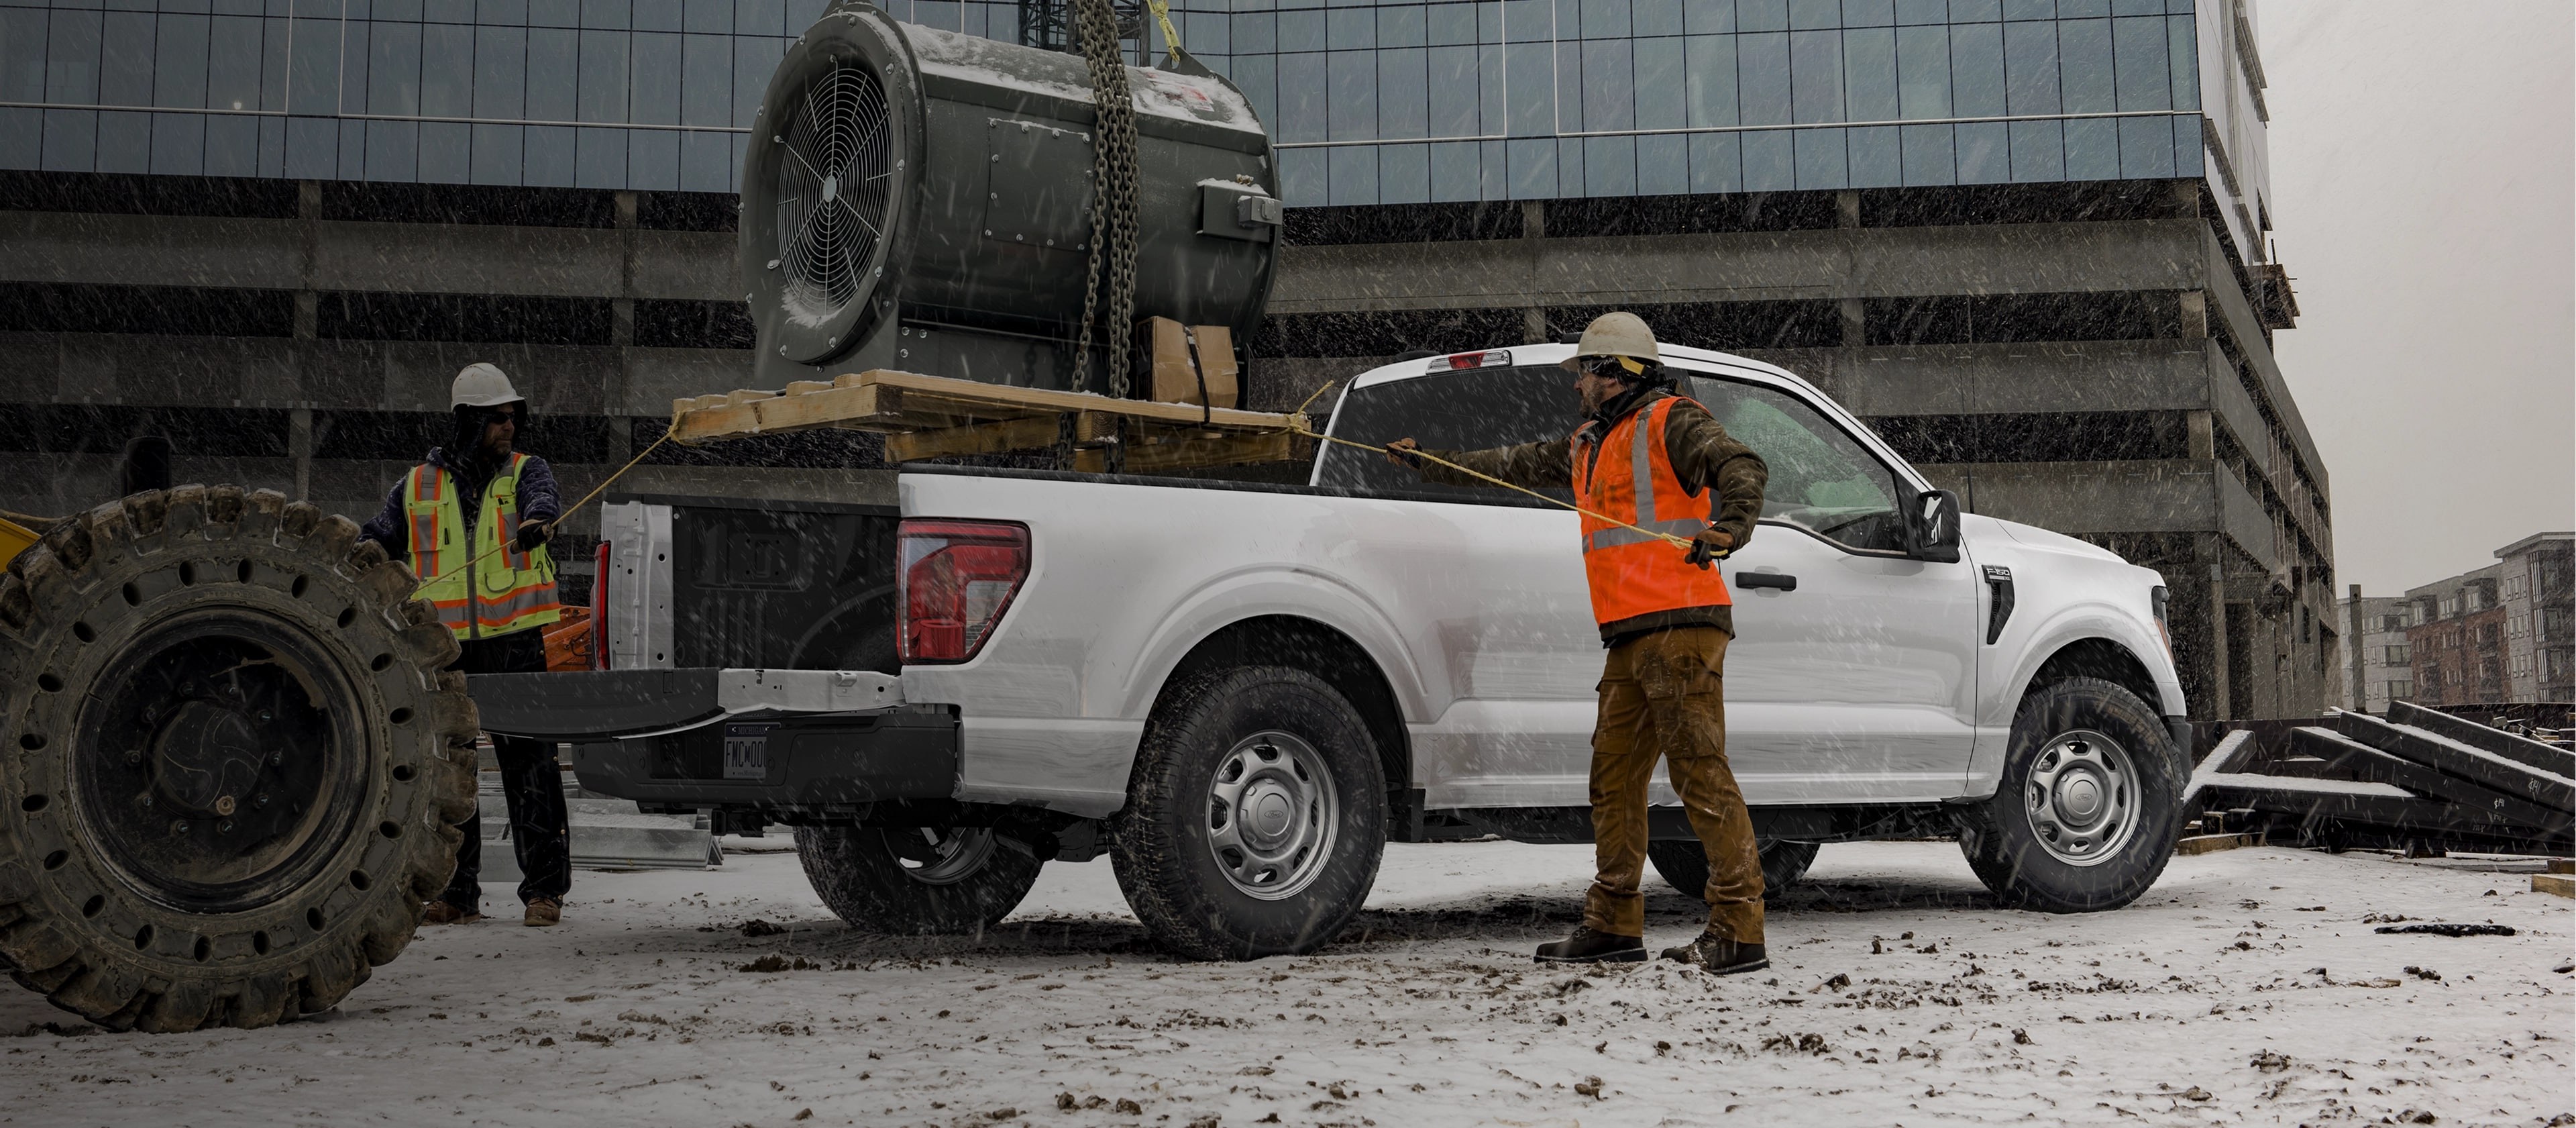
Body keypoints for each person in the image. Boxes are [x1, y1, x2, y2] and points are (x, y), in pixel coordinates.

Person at [1387, 313, 1773, 974]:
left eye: (1585, 373)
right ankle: (1615, 924)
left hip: (1682, 623)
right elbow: (1506, 465)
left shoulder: (1673, 420)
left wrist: (1729, 526)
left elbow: (1741, 463)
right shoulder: (1588, 444)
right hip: (1630, 635)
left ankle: (1739, 931)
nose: (1578, 387)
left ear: (1617, 373)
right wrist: (1432, 462)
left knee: (1699, 774)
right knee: (1613, 780)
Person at [360, 362, 571, 928]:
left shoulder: (527, 472)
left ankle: (544, 892)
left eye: (513, 417)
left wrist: (539, 521)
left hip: (516, 641)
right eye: (498, 418)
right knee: (450, 775)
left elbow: (543, 498)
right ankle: (456, 892)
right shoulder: (416, 486)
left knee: (531, 768)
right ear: (468, 422)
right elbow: (375, 543)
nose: (509, 427)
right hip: (445, 650)